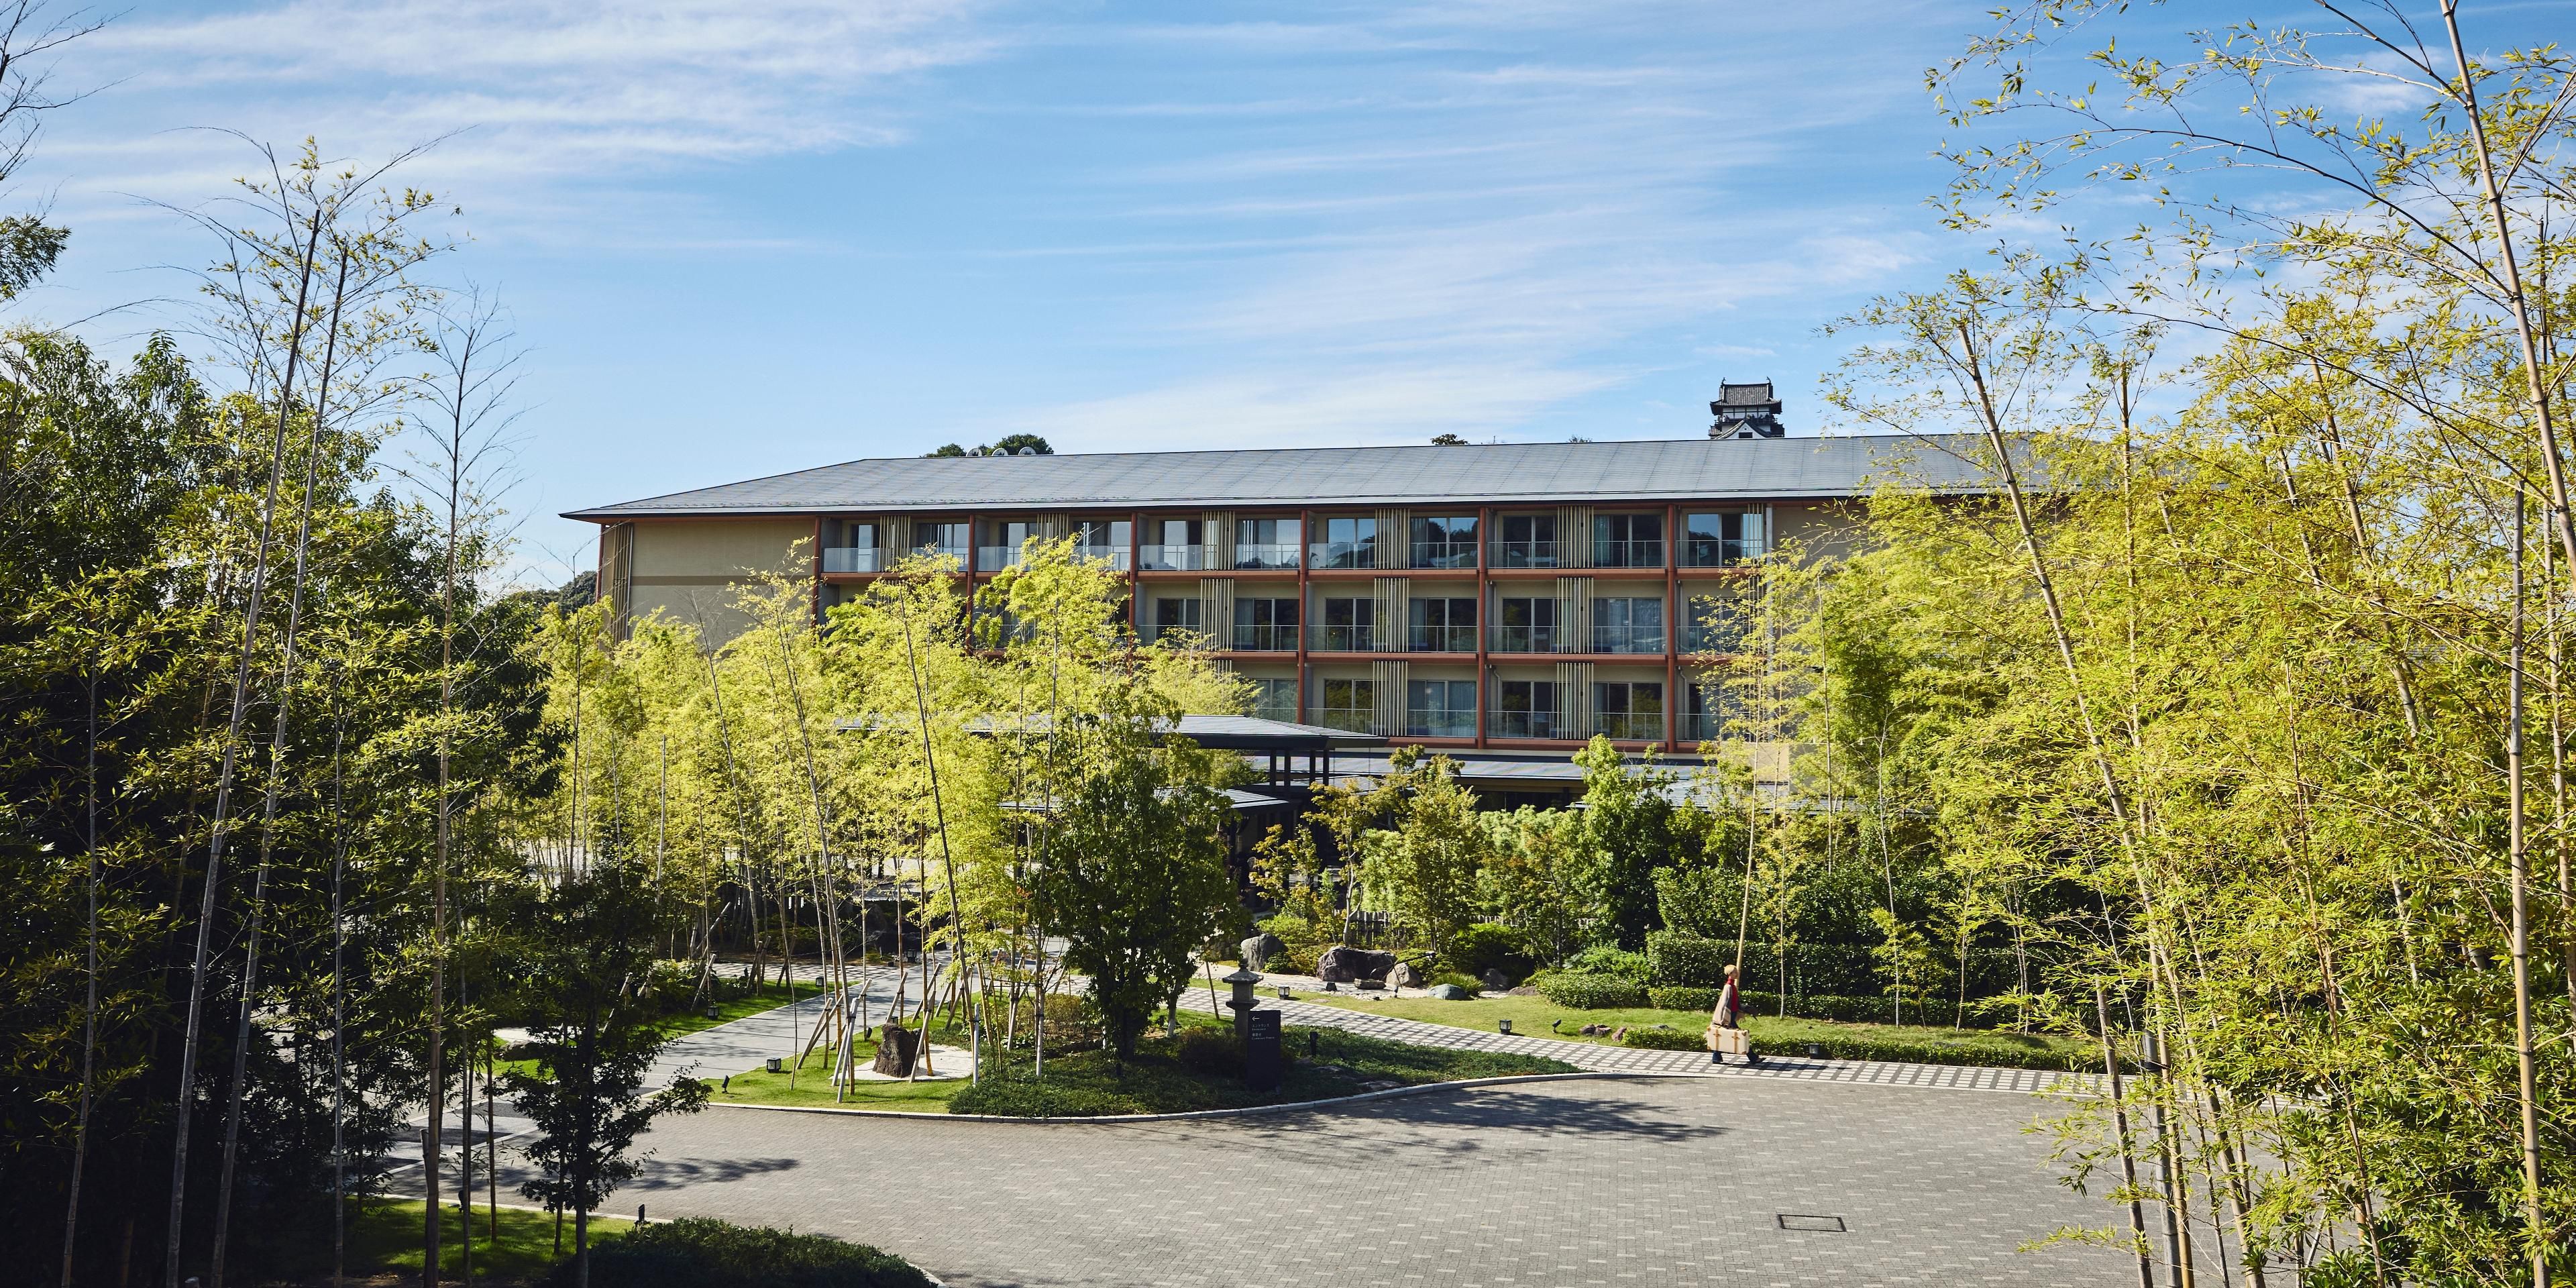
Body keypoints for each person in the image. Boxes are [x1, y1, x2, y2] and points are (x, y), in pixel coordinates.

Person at [1705, 963, 1757, 1065]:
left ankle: (1716, 1057)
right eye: (1735, 972)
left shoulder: (1732, 986)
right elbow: (1724, 1004)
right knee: (1740, 1036)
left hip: (1731, 1016)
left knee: (1724, 1035)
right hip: (1729, 1017)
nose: (1737, 973)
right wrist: (1725, 1019)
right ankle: (1753, 1058)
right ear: (1730, 974)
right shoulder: (1728, 987)